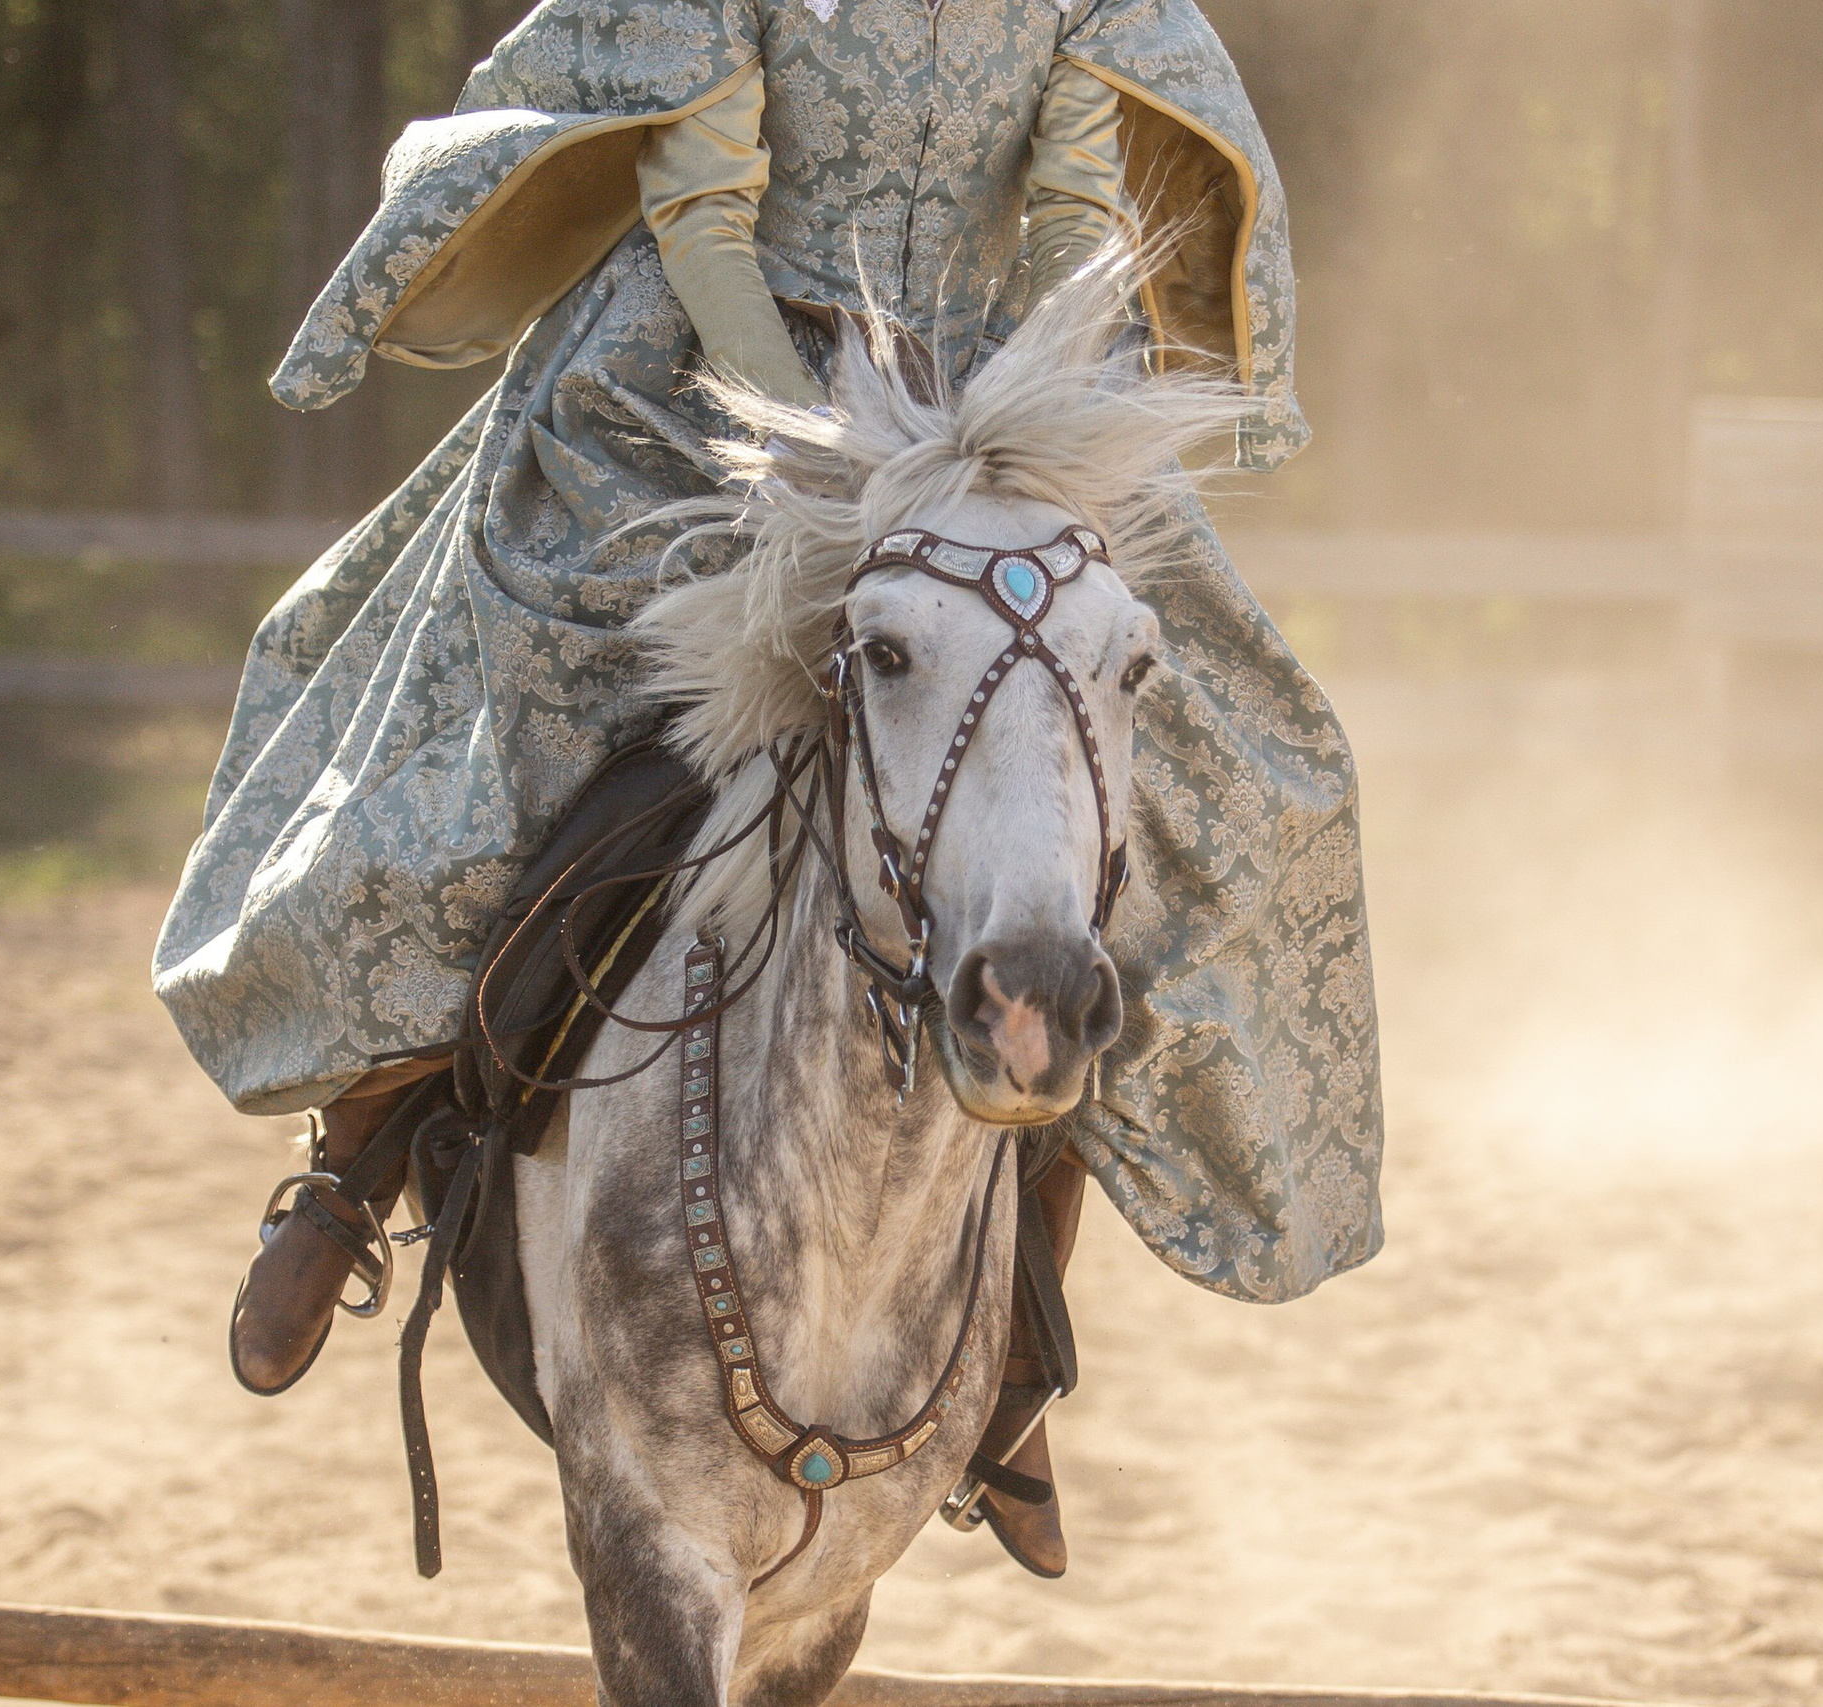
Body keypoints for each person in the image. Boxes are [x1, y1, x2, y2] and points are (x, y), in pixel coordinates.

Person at [154, 0, 1384, 1582]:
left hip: (976, 409)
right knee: (513, 704)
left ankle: (1013, 1334)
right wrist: (818, 446)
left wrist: (984, 445)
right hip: (706, 372)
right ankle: (358, 1158)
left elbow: (1076, 221)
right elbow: (700, 210)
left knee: (1216, 762)